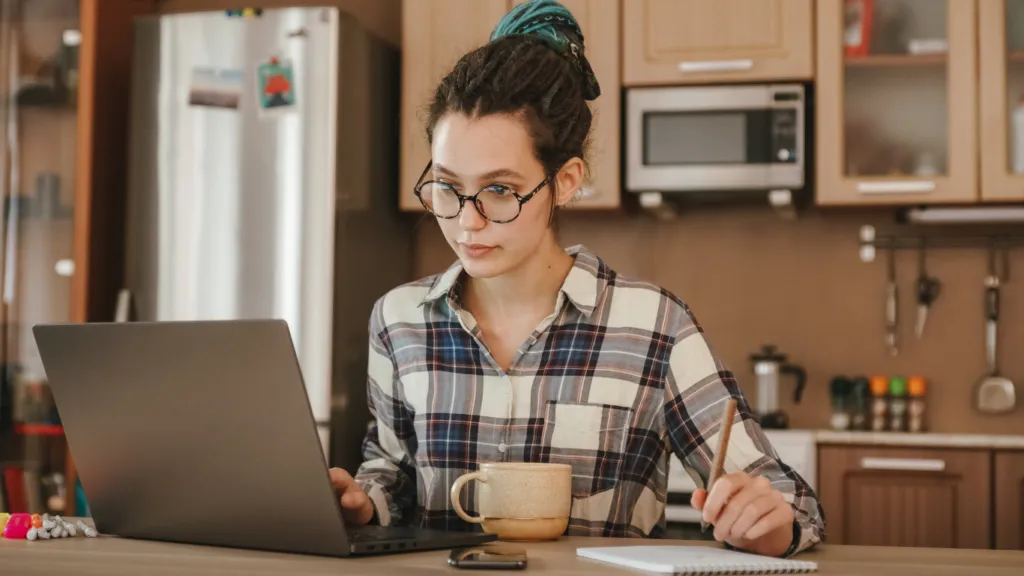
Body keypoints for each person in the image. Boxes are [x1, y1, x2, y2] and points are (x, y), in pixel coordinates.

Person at [327, 0, 825, 558]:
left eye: (500, 190)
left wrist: (764, 520)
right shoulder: (399, 320)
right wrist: (361, 501)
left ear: (564, 181)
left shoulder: (655, 325)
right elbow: (389, 476)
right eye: (446, 187)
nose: (467, 221)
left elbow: (789, 499)